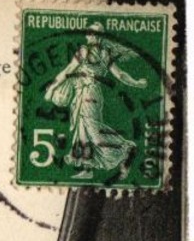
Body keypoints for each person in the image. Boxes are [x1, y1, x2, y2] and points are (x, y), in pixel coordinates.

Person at [44, 22, 147, 180]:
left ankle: (126, 148)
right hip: (89, 94)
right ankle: (87, 168)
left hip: (88, 93)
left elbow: (67, 71)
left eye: (95, 33)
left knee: (92, 129)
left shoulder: (85, 51)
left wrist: (51, 89)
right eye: (90, 33)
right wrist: (136, 83)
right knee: (83, 130)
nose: (92, 36)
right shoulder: (106, 54)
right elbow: (121, 75)